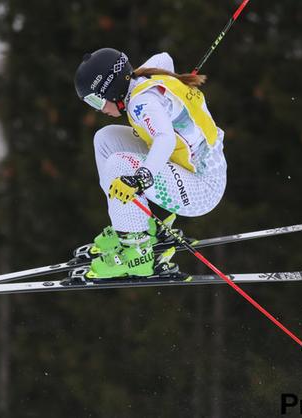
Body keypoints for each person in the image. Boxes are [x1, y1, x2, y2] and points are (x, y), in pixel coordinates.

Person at [74, 48, 227, 279]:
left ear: (111, 89)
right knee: (105, 140)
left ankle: (137, 254)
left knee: (119, 164)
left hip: (202, 187)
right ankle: (128, 225)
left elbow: (164, 139)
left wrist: (140, 177)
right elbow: (165, 57)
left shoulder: (140, 103)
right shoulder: (143, 76)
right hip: (183, 166)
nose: (100, 109)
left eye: (96, 100)